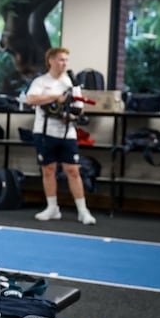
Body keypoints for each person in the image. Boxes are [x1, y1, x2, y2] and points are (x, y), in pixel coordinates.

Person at [26, 47, 96, 225]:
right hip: (44, 132)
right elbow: (31, 100)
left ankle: (82, 210)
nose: (63, 63)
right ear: (51, 61)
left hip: (67, 133)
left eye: (66, 60)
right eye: (60, 60)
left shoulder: (71, 83)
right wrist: (55, 98)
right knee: (48, 170)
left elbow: (80, 108)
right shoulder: (41, 82)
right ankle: (52, 207)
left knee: (73, 170)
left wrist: (73, 115)